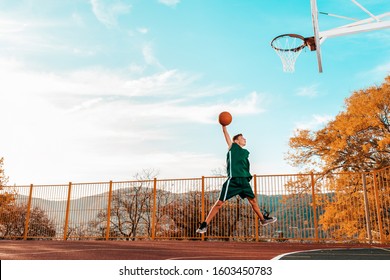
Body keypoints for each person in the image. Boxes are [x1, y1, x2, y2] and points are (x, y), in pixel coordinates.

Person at [196, 125, 277, 234]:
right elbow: (226, 134)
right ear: (236, 140)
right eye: (242, 138)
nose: (245, 139)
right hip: (233, 180)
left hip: (243, 181)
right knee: (220, 203)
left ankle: (263, 219)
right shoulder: (232, 147)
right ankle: (204, 224)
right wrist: (224, 127)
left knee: (253, 201)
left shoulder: (244, 152)